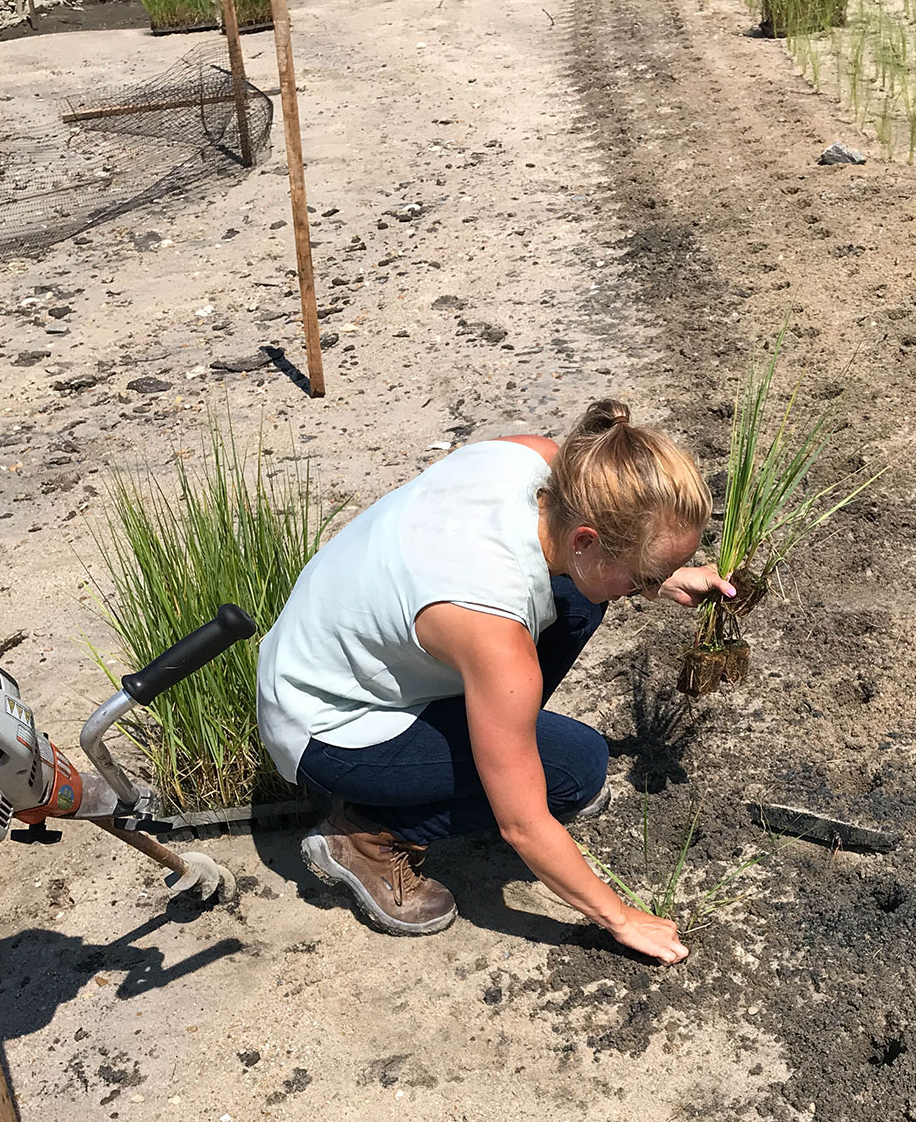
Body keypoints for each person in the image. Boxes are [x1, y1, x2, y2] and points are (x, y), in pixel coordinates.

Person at [256, 400, 733, 965]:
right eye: (642, 572)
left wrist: (660, 574)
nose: (645, 586)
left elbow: (577, 562)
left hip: (328, 653)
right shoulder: (493, 630)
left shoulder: (539, 461)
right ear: (585, 540)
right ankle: (367, 835)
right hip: (326, 724)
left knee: (580, 600)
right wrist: (622, 919)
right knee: (574, 771)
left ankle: (486, 746)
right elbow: (524, 827)